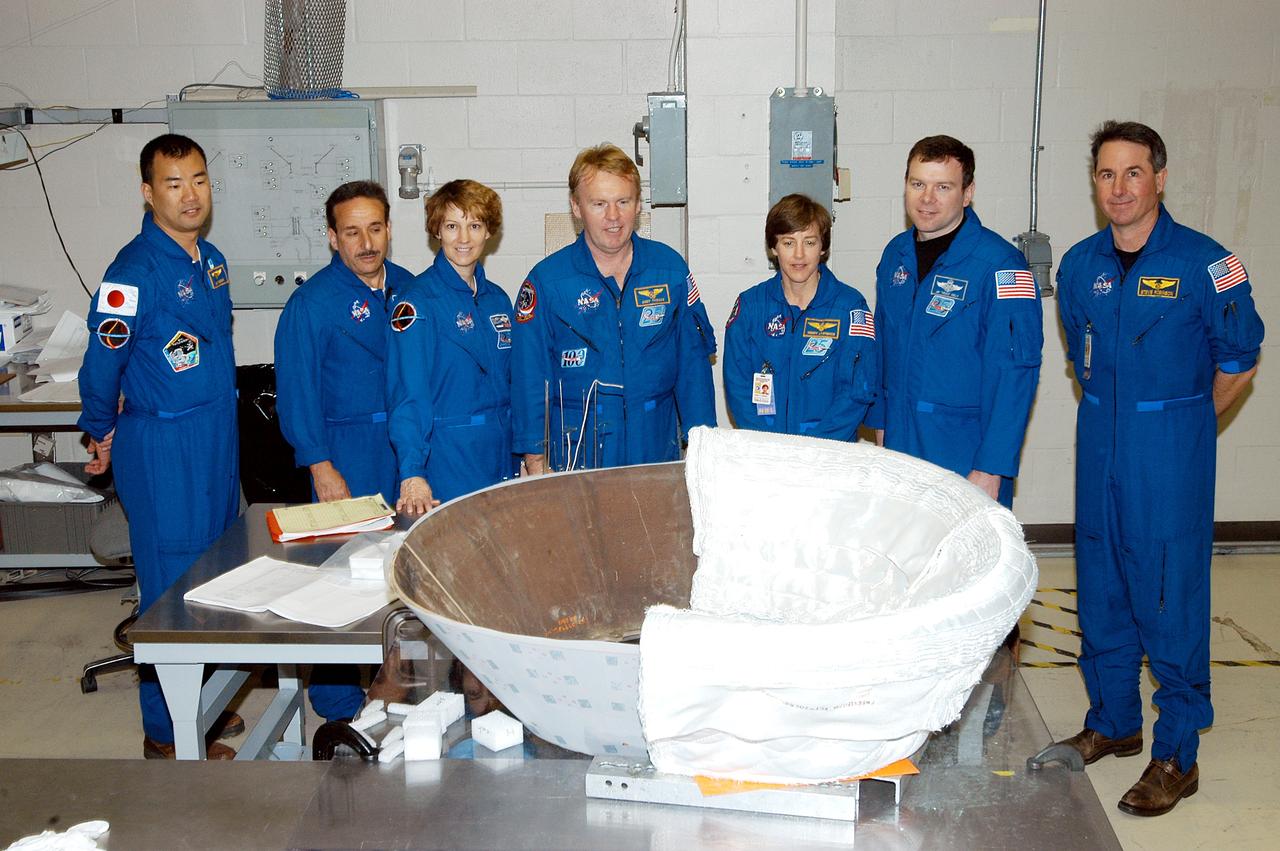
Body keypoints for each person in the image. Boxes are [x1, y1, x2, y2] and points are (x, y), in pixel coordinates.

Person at [1052, 121, 1264, 817]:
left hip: (1169, 448)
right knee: (1103, 585)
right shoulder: (1079, 265)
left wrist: (1188, 421)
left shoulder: (1209, 264)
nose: (1119, 188)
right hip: (1100, 441)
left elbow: (1240, 359)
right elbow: (1082, 354)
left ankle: (1176, 753)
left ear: (1160, 179)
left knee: (1170, 597)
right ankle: (1114, 719)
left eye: (1133, 173)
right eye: (1107, 175)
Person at [77, 134, 240, 759]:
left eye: (198, 179)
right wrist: (101, 425)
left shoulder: (212, 259)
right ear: (149, 193)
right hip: (165, 443)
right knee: (170, 589)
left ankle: (198, 705)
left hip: (214, 438)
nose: (190, 194)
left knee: (214, 576)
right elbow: (101, 366)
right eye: (174, 183)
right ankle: (164, 734)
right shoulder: (131, 274)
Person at [275, 179, 412, 723]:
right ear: (333, 238)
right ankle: (336, 706)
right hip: (343, 455)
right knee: (340, 580)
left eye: (374, 228)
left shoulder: (410, 290)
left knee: (402, 574)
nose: (365, 242)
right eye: (351, 232)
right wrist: (320, 465)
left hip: (403, 450)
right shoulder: (311, 305)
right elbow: (297, 392)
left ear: (388, 230)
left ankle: (400, 686)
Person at [511, 143, 717, 473]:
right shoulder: (548, 283)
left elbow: (692, 366)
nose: (613, 216)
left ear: (637, 205)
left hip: (654, 444)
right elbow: (529, 378)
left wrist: (702, 445)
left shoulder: (670, 270)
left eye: (623, 202)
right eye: (599, 204)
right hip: (577, 448)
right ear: (576, 207)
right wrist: (535, 459)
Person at [866, 135, 1043, 509]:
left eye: (942, 186)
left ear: (967, 192)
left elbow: (1016, 375)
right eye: (918, 184)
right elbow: (882, 347)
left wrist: (991, 467)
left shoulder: (1001, 266)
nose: (927, 198)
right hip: (900, 443)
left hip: (964, 453)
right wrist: (880, 425)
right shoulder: (895, 256)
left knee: (966, 564)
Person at [386, 179, 516, 513]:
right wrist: (412, 472)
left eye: (474, 225)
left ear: (488, 232)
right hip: (448, 459)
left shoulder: (498, 300)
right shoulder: (417, 303)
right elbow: (409, 395)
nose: (463, 238)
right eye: (451, 226)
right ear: (437, 232)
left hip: (500, 456)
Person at [723, 193, 876, 438]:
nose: (799, 255)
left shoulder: (850, 308)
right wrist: (766, 444)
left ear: (823, 247)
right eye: (788, 242)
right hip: (766, 450)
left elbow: (857, 391)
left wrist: (816, 449)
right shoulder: (750, 307)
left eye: (810, 242)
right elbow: (737, 384)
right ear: (773, 247)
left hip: (829, 452)